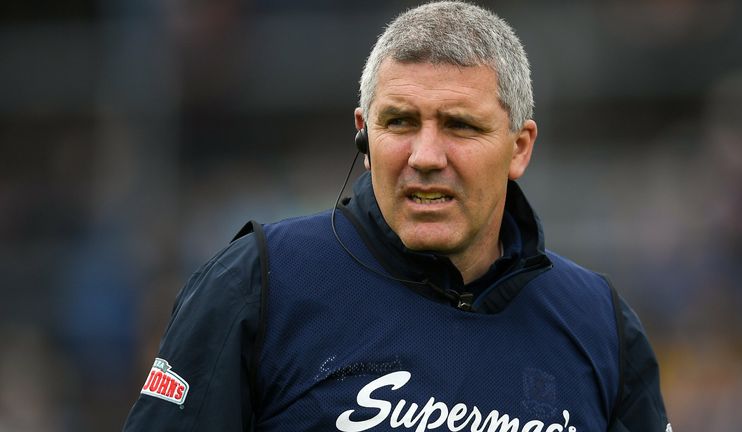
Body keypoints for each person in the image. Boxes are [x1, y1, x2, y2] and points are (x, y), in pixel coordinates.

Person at [123, 2, 671, 431]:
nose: (426, 156)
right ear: (364, 136)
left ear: (519, 147)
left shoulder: (599, 326)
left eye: (460, 125)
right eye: (401, 122)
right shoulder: (259, 284)